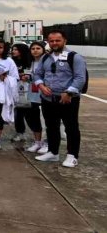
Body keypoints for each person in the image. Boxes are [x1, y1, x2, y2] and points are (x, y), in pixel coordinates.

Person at [34, 30, 87, 168]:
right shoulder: (45, 58)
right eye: (51, 41)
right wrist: (41, 85)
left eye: (57, 40)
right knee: (51, 126)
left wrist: (69, 92)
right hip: (48, 98)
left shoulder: (74, 57)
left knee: (71, 127)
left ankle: (72, 156)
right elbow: (38, 74)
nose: (54, 43)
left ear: (65, 41)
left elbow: (80, 78)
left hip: (67, 99)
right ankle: (53, 152)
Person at [11, 43, 42, 147]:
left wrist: (25, 76)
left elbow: (32, 75)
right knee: (18, 112)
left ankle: (37, 137)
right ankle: (20, 132)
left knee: (31, 114)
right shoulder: (12, 61)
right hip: (16, 90)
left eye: (16, 49)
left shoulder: (30, 61)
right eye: (13, 49)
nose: (13, 51)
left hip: (30, 91)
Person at [24, 42, 48, 154]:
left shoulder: (47, 62)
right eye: (33, 48)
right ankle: (37, 141)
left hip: (44, 95)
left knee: (46, 120)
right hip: (32, 95)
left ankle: (47, 143)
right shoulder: (30, 62)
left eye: (38, 48)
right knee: (34, 120)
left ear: (43, 49)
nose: (35, 50)